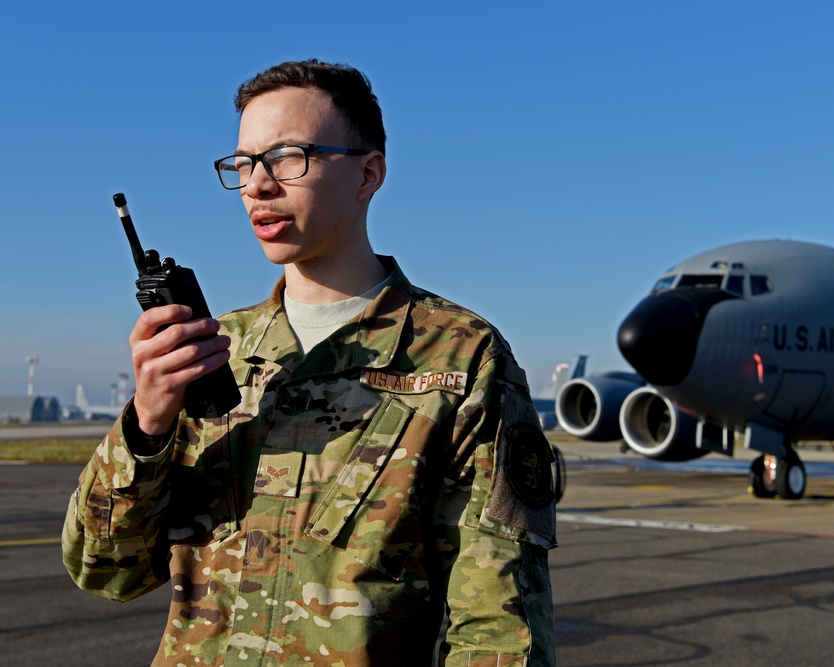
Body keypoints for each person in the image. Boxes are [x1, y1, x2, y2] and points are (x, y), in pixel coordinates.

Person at [63, 59, 557, 667]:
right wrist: (147, 425)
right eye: (243, 163)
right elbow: (106, 572)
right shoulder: (215, 349)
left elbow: (499, 629)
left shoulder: (461, 356)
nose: (257, 185)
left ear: (368, 173)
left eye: (288, 157)